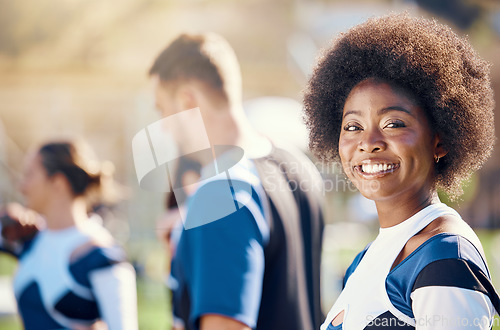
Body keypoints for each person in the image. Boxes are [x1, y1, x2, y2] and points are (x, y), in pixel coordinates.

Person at [303, 12, 500, 330]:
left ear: (441, 140)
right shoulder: (366, 258)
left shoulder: (445, 259)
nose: (368, 143)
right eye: (353, 126)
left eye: (393, 123)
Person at [149, 33, 324, 330]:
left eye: (162, 109)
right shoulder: (298, 165)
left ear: (187, 100)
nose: (163, 126)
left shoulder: (220, 193)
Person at [0, 140, 138, 330]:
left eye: (29, 175)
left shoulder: (101, 255)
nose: (22, 186)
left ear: (58, 182)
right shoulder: (28, 239)